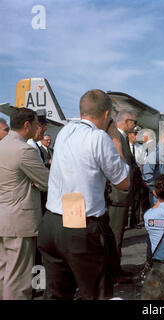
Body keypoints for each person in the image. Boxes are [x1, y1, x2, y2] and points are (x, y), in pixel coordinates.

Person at [37, 89, 130, 300]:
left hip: (51, 223)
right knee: (96, 292)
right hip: (80, 225)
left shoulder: (64, 132)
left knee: (57, 294)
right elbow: (124, 182)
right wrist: (115, 138)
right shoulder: (98, 137)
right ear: (107, 115)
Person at [0, 108, 49, 300]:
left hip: (4, 218)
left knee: (4, 275)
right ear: (27, 125)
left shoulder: (2, 145)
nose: (39, 128)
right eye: (37, 124)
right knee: (19, 281)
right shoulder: (24, 150)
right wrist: (35, 180)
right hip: (20, 222)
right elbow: (47, 182)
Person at [107, 110, 138, 259]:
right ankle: (112, 273)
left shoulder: (122, 138)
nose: (136, 126)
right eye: (134, 122)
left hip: (122, 196)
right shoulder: (115, 138)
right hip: (117, 197)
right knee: (114, 235)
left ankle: (115, 269)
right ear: (126, 122)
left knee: (118, 234)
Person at [128, 127, 147, 228]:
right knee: (125, 200)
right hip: (126, 176)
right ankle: (122, 223)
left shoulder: (140, 148)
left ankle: (134, 222)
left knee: (136, 199)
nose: (136, 136)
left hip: (137, 176)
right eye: (134, 134)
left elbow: (144, 163)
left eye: (137, 134)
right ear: (129, 135)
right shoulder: (124, 147)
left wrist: (144, 178)